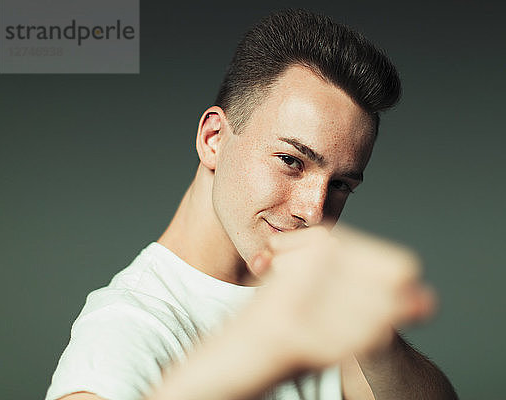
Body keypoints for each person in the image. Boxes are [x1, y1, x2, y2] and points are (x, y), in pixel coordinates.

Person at [45, 9, 458, 400]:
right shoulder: (128, 324)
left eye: (341, 185)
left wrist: (378, 338)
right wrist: (232, 370)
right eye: (291, 161)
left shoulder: (310, 293)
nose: (313, 212)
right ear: (214, 140)